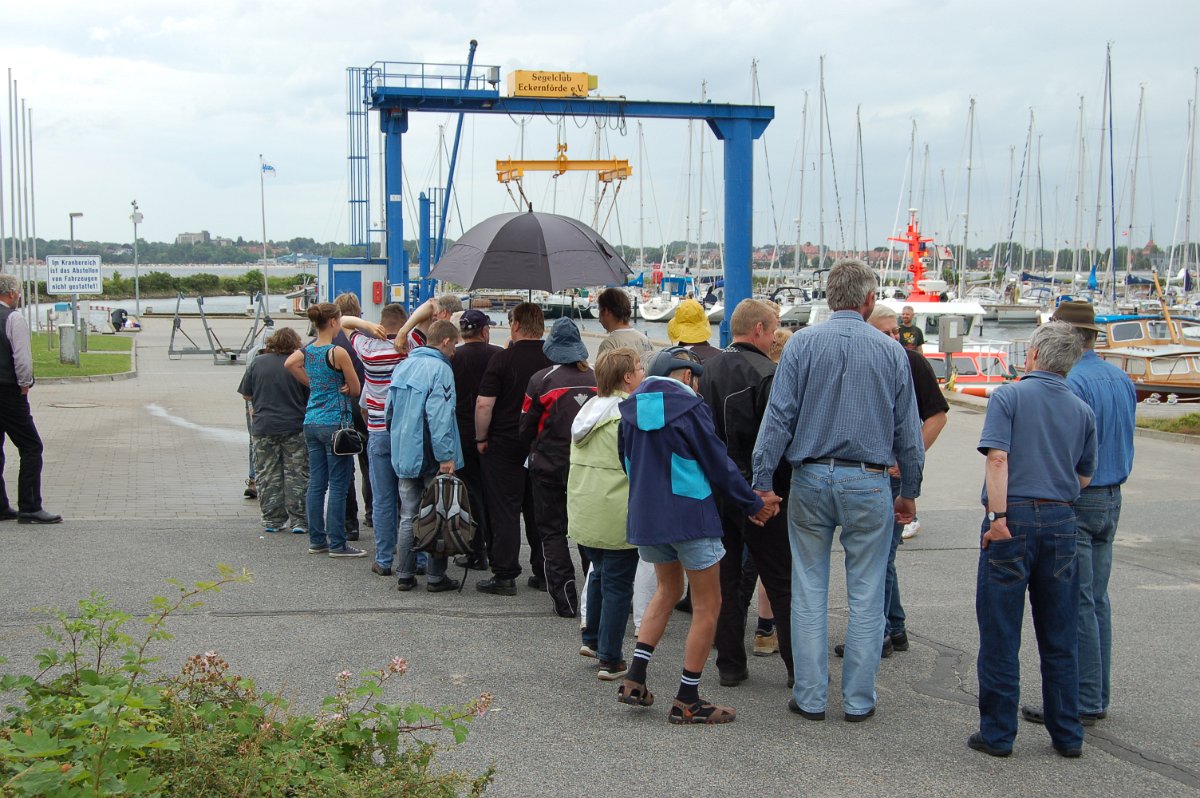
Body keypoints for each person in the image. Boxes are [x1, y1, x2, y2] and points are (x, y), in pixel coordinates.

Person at [752, 258, 924, 723]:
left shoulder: (802, 345)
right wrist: (909, 489)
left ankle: (810, 696)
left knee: (808, 586)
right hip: (869, 479)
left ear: (830, 298)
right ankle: (858, 699)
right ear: (869, 300)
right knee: (867, 592)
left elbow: (778, 419)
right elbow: (908, 431)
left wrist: (763, 482)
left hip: (810, 475)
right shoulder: (892, 352)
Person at [616, 347, 778, 725]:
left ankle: (635, 678)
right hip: (690, 516)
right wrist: (753, 504)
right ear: (686, 376)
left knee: (667, 591)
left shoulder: (631, 412)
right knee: (708, 605)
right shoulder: (690, 409)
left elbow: (626, 462)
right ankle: (688, 698)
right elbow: (717, 463)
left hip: (647, 517)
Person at [969, 320, 1097, 759]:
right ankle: (1067, 734)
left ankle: (999, 734)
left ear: (1035, 355)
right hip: (1061, 519)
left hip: (1014, 515)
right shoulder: (1081, 408)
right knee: (1060, 633)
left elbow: (998, 457)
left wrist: (998, 517)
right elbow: (1085, 474)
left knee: (1002, 632)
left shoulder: (1009, 396)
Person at [1020, 301, 1137, 731]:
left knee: (1077, 601)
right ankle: (1095, 691)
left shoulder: (1071, 383)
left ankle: (1082, 698)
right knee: (1097, 599)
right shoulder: (1119, 377)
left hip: (1080, 495)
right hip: (1112, 495)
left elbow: (1066, 447)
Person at [833, 305, 948, 658]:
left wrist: (909, 458)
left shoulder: (913, 363)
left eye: (895, 332)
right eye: (885, 333)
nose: (893, 339)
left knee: (879, 556)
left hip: (892, 473)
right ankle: (894, 627)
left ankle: (880, 632)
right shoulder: (865, 359)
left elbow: (937, 416)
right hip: (872, 469)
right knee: (884, 555)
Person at [696, 299, 795, 689]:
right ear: (758, 330)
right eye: (773, 329)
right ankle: (796, 667)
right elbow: (778, 436)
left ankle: (730, 664)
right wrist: (767, 490)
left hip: (719, 487)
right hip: (760, 489)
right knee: (780, 578)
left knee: (726, 578)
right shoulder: (768, 374)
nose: (774, 337)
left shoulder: (707, 371)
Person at [569, 348, 645, 680]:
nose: (643, 373)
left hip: (585, 508)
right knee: (618, 583)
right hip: (617, 509)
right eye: (640, 368)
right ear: (627, 377)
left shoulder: (588, 411)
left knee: (599, 572)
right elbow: (636, 465)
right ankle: (611, 657)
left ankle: (592, 638)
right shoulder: (627, 413)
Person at [519, 318, 598, 617]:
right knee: (589, 534)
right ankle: (596, 598)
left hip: (548, 468)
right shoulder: (597, 378)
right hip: (588, 469)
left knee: (552, 532)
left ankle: (565, 601)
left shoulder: (541, 380)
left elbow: (525, 427)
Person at [474, 303, 552, 596]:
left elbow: (484, 404)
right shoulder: (552, 359)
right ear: (541, 326)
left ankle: (505, 574)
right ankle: (545, 570)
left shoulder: (501, 359)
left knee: (504, 508)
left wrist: (481, 437)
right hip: (543, 444)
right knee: (539, 508)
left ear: (516, 325)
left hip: (504, 443)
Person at [385, 319, 463, 592]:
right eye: (454, 344)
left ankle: (405, 574)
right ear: (445, 342)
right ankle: (435, 576)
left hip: (405, 450)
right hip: (430, 453)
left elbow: (389, 412)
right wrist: (446, 456)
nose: (455, 350)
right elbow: (440, 416)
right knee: (437, 513)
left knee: (408, 515)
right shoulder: (441, 369)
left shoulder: (403, 366)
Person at [284, 302, 365, 559]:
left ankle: (317, 539)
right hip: (335, 424)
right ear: (333, 322)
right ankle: (338, 543)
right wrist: (340, 386)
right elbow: (356, 389)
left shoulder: (307, 351)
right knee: (339, 484)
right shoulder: (337, 352)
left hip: (311, 421)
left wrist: (314, 384)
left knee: (316, 483)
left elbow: (289, 363)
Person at [337, 303, 410, 576]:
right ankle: (415, 558)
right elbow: (432, 307)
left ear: (381, 323)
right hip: (407, 433)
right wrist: (407, 330)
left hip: (378, 431)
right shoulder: (409, 345)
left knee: (382, 498)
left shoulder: (367, 349)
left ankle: (383, 558)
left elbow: (343, 320)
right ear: (403, 323)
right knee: (411, 495)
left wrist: (366, 326)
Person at [0, 273, 61, 524]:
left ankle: (1, 506)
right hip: (8, 390)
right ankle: (30, 505)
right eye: (19, 293)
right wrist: (25, 384)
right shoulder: (14, 318)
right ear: (13, 293)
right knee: (31, 446)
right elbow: (22, 357)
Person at [237, 327, 309, 535]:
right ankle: (300, 520)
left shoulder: (258, 362)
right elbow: (308, 392)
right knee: (297, 473)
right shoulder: (299, 364)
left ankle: (272, 519)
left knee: (267, 474)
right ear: (295, 343)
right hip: (294, 426)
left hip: (264, 427)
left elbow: (246, 395)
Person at [450, 309, 503, 572]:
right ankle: (497, 550)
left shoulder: (452, 357)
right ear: (484, 331)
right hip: (492, 433)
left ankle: (475, 549)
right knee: (494, 493)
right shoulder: (498, 355)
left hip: (460, 433)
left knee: (470, 494)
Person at [332, 292, 371, 539]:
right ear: (359, 314)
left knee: (344, 466)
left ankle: (349, 524)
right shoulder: (367, 338)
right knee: (371, 465)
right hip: (367, 407)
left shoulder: (330, 340)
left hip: (341, 408)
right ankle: (374, 513)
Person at [596, 287, 654, 362]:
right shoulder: (645, 340)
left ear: (606, 311)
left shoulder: (609, 345)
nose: (599, 319)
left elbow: (602, 373)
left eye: (599, 311)